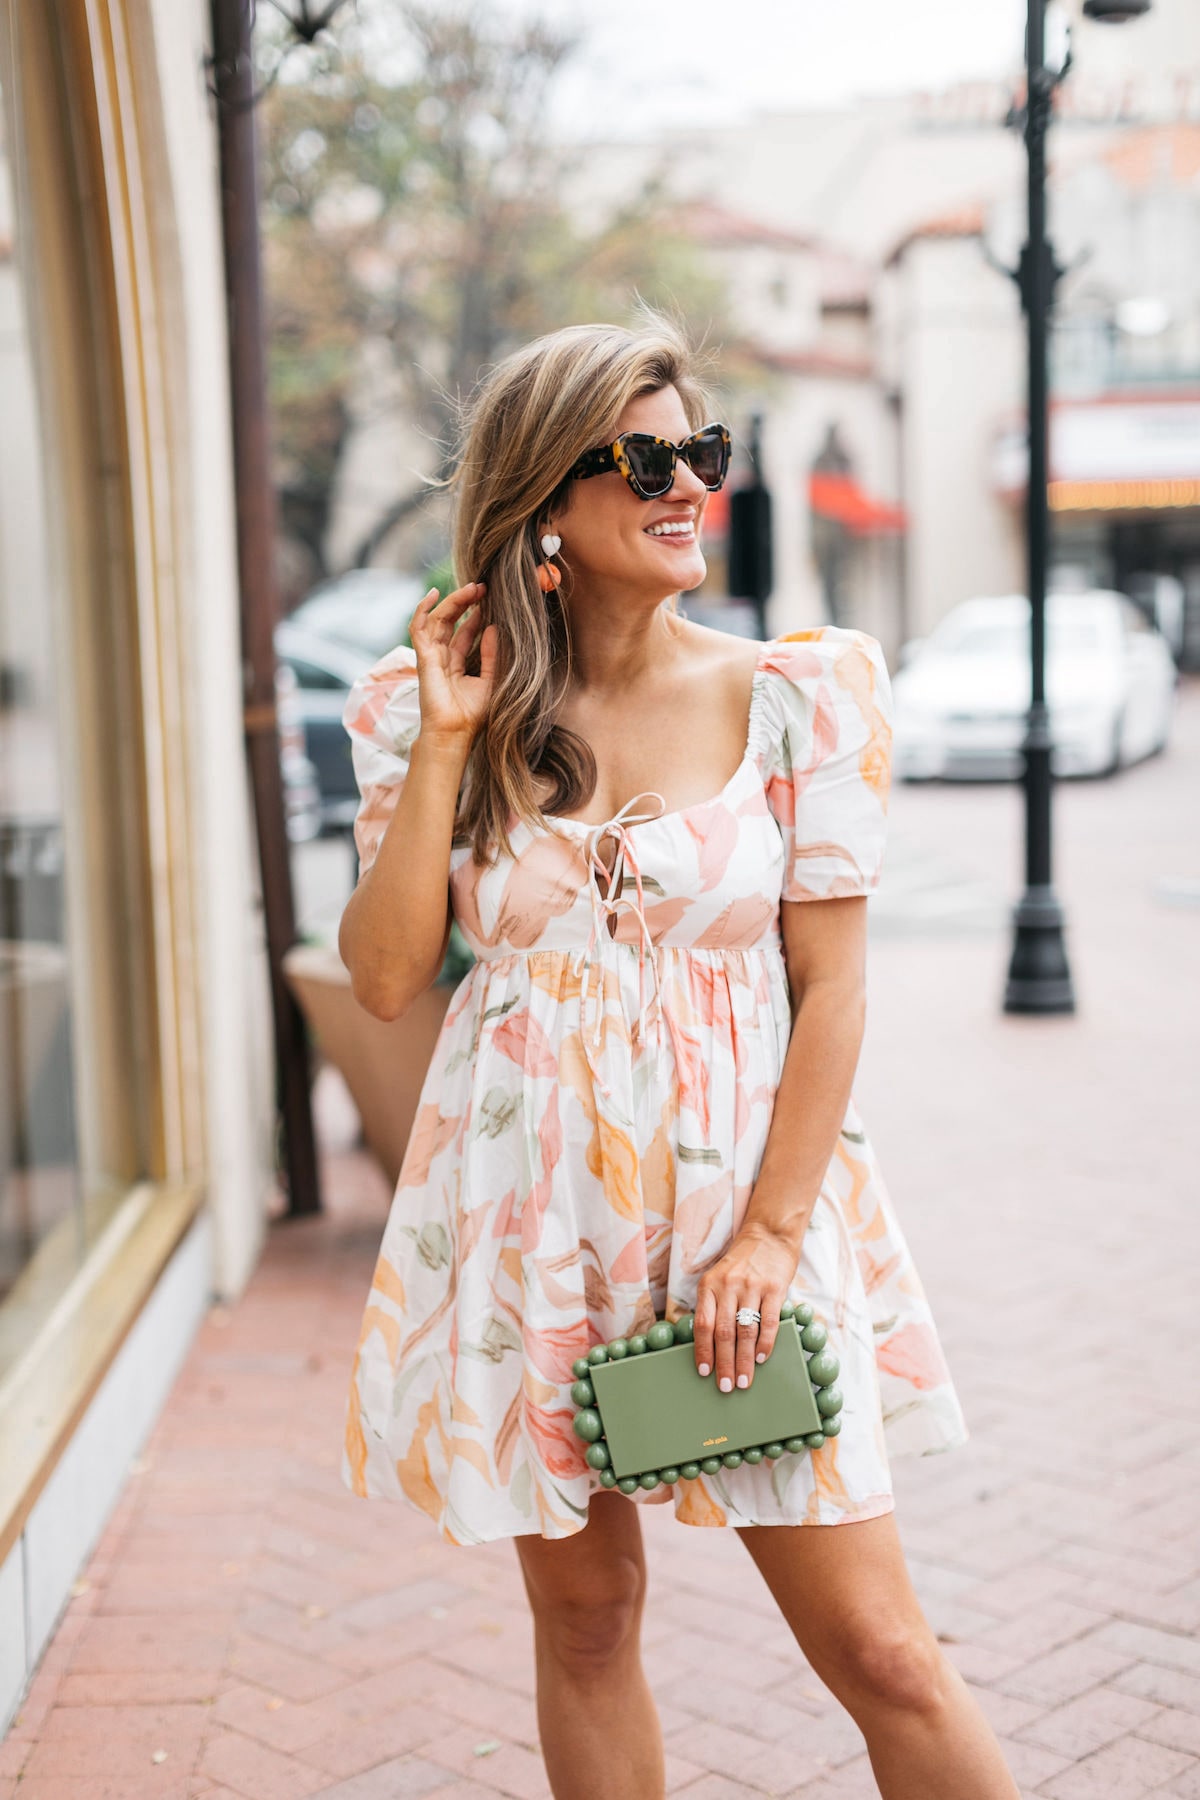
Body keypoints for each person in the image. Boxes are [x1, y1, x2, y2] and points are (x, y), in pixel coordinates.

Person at [337, 316, 1018, 1800]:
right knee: (588, 1622)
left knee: (883, 1650)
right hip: (535, 1221)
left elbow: (831, 987)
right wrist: (451, 745)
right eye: (647, 456)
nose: (688, 483)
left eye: (701, 453)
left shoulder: (797, 696)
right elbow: (385, 979)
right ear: (544, 504)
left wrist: (770, 1237)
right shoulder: (430, 714)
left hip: (744, 1215)